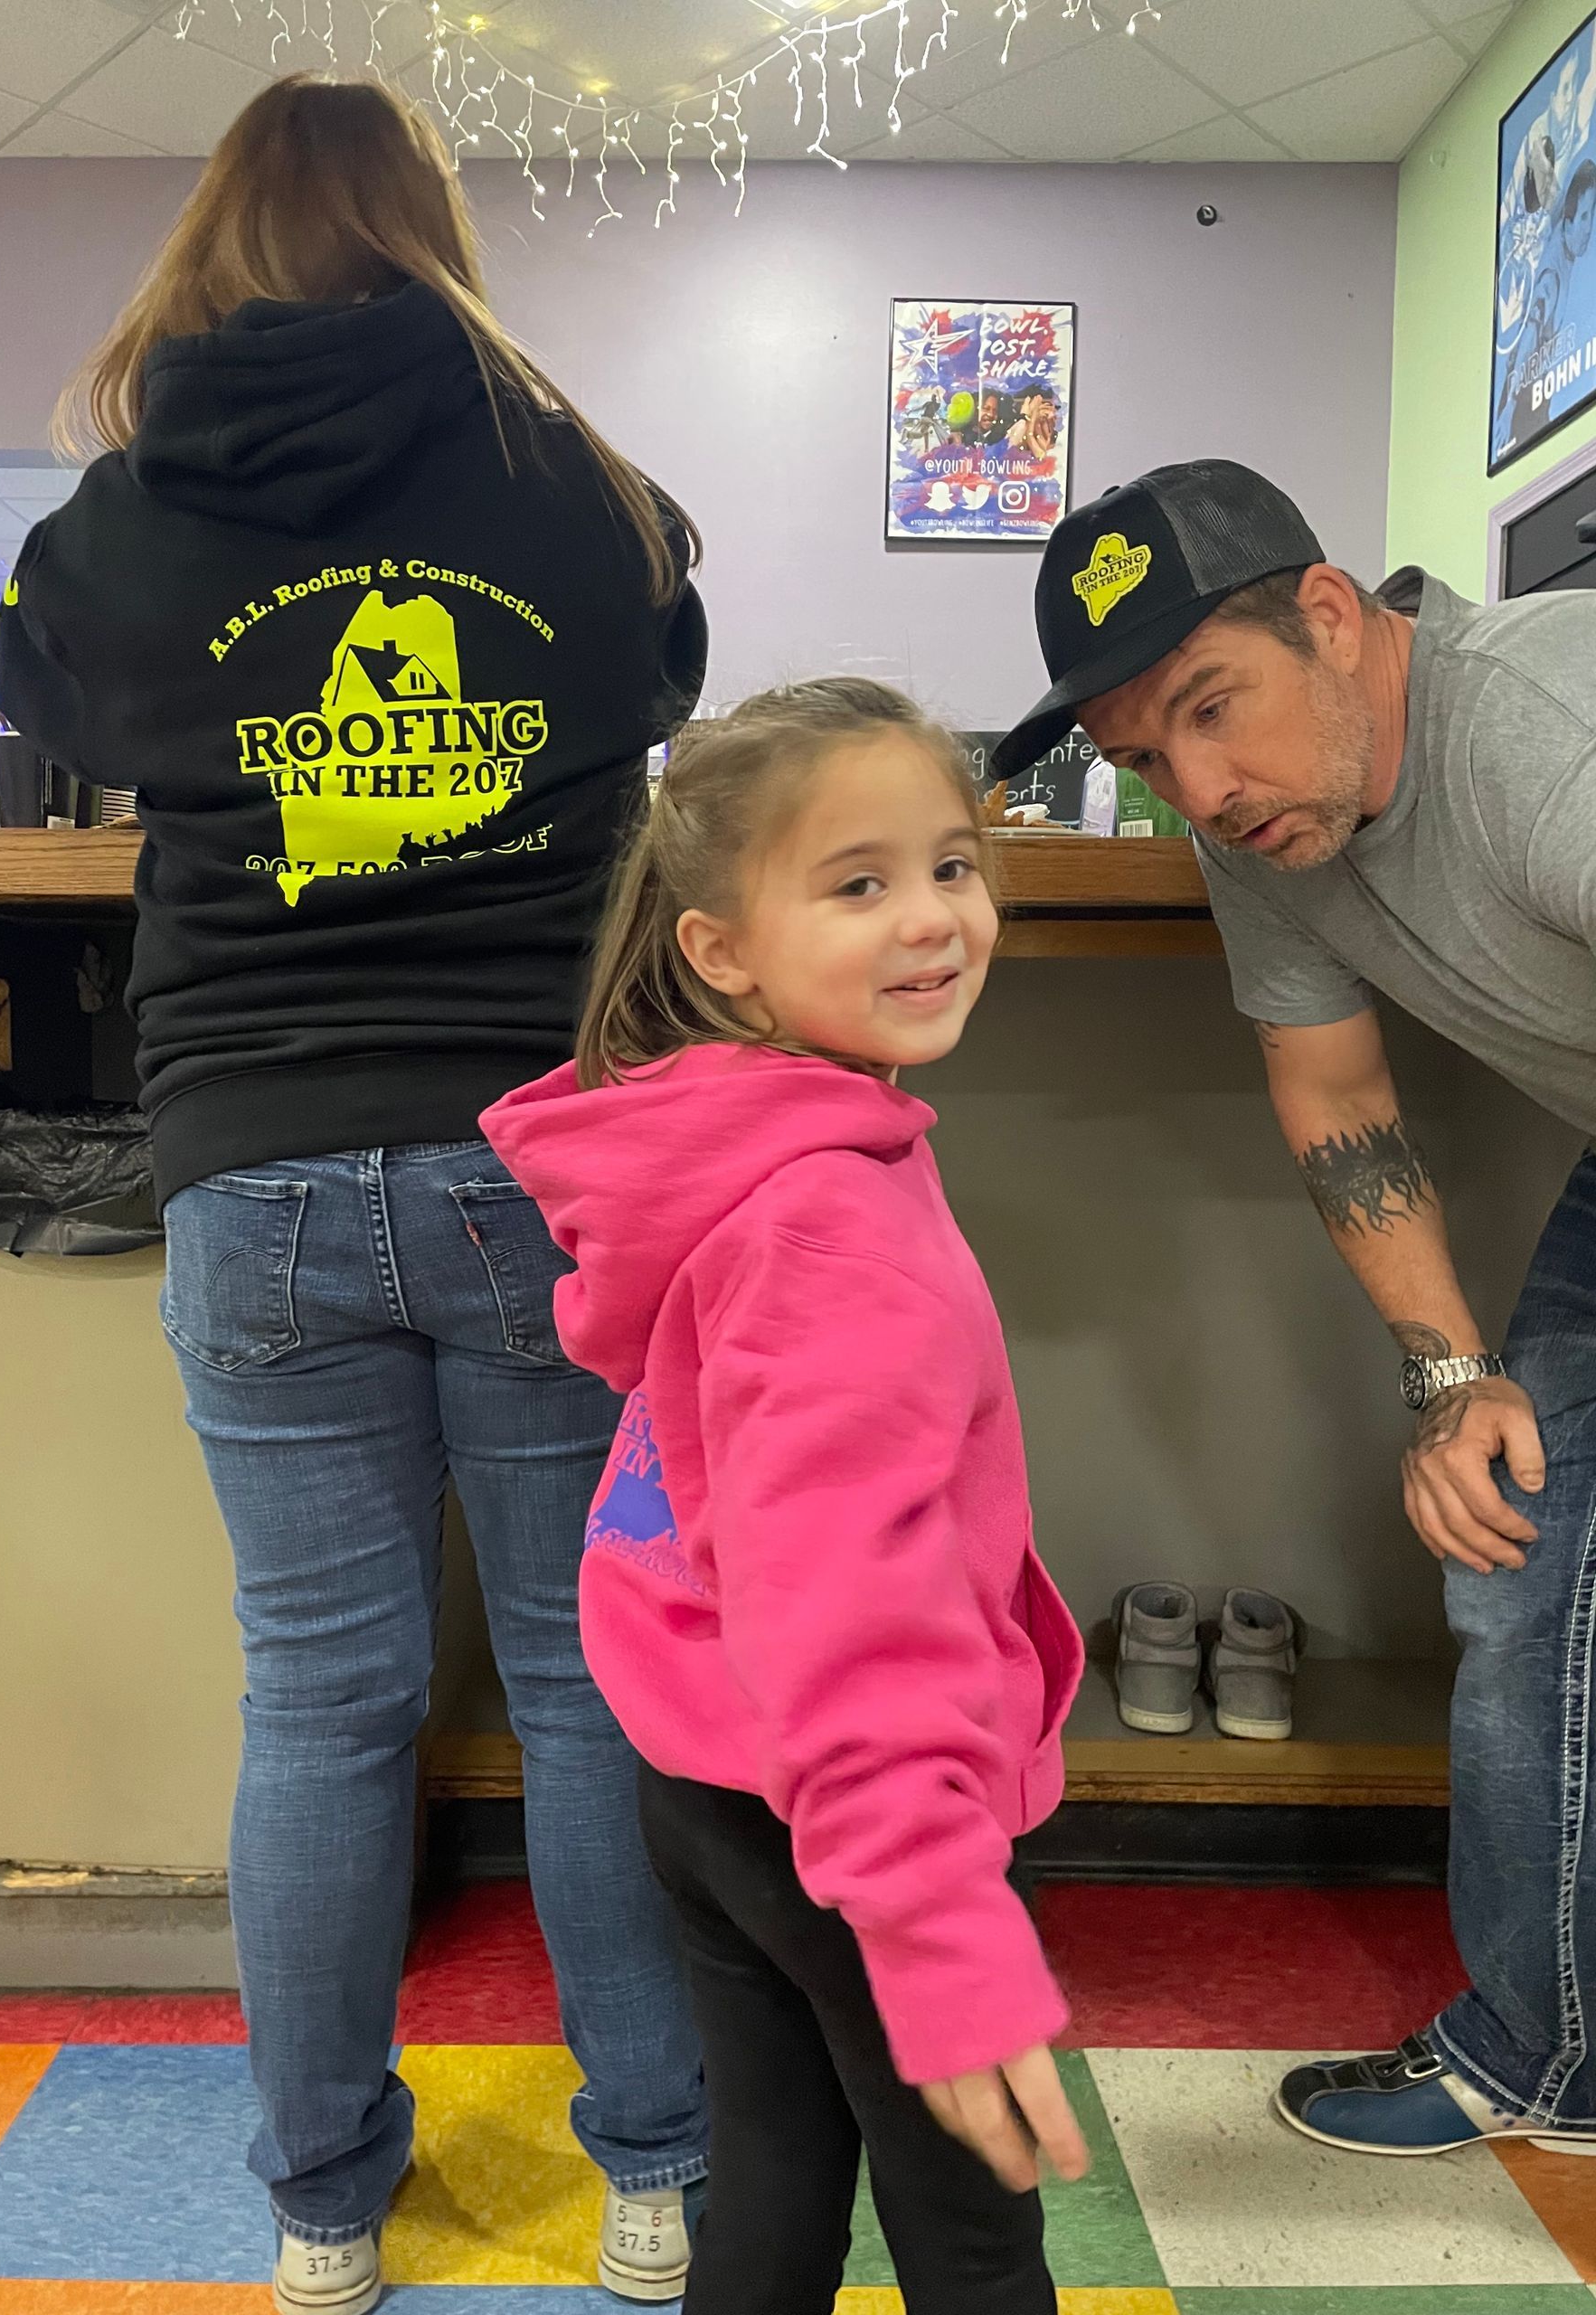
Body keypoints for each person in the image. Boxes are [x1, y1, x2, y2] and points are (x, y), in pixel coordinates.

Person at [0, 74, 708, 2315]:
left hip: (255, 1164)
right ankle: (659, 2173)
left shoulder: (135, 506)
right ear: (431, 235)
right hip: (540, 1160)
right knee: (590, 1683)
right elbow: (667, 674)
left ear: (214, 240)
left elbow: (47, 703)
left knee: (318, 1702)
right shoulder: (573, 478)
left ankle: (319, 2211)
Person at [995, 458, 1596, 2159]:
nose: (1199, 787)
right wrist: (1452, 1374)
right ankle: (1551, 2055)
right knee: (1518, 1544)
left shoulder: (1547, 740)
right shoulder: (1264, 826)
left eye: (1212, 706)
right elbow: (1335, 1090)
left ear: (1332, 616)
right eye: (1142, 760)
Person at [485, 678, 1091, 2315]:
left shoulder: (730, 1154)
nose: (933, 918)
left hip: (705, 1778)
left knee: (769, 2178)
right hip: (851, 1812)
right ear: (722, 950)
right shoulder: (829, 1224)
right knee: (974, 2244)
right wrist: (937, 1930)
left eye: (952, 865)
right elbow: (845, 1604)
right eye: (857, 883)